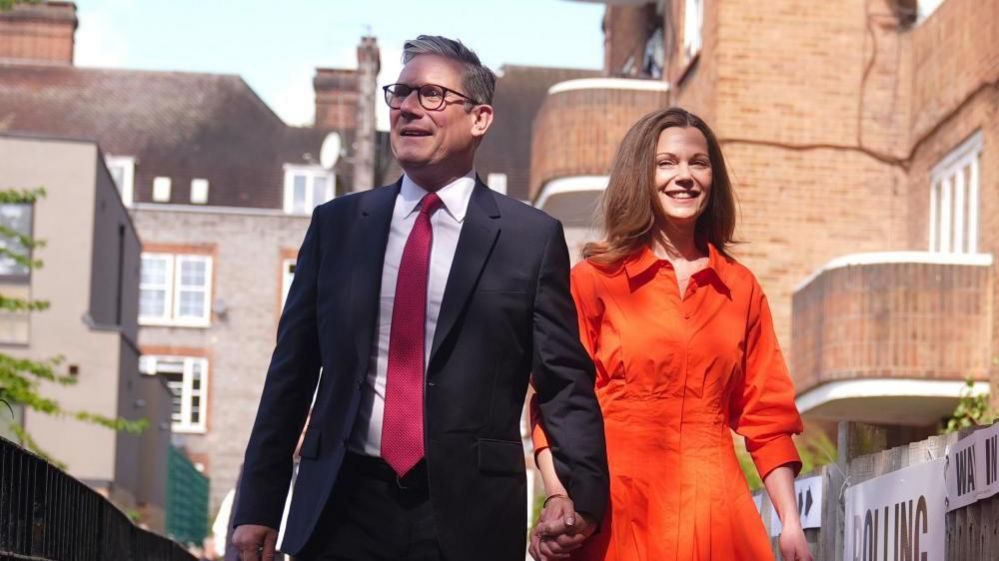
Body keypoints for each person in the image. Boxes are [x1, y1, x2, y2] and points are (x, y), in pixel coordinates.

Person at [231, 35, 609, 561]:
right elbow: (290, 377)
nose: (407, 107)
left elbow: (563, 384)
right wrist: (257, 507)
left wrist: (580, 497)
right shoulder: (338, 226)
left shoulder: (530, 238)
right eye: (400, 93)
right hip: (343, 504)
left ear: (480, 118)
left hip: (468, 513)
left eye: (430, 94)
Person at [529, 107, 813, 561]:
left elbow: (768, 416)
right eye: (667, 163)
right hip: (617, 511)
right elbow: (554, 403)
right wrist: (562, 496)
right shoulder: (592, 281)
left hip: (716, 515)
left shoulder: (741, 289)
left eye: (698, 163)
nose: (684, 176)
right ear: (640, 175)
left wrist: (792, 524)